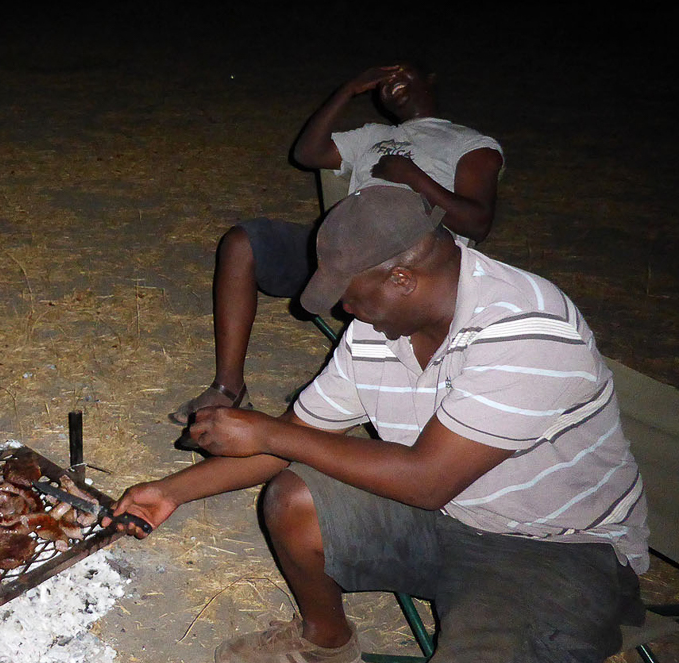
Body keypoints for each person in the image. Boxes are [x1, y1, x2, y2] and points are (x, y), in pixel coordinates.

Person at [107, 186, 648, 663]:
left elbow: (426, 481)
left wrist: (269, 429)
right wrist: (171, 491)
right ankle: (325, 640)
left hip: (553, 550)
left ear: (401, 279)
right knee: (295, 496)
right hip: (445, 519)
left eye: (348, 292)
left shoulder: (527, 331)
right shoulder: (377, 329)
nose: (343, 309)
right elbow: (301, 438)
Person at [169, 63, 504, 431]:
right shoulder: (373, 135)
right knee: (244, 242)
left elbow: (476, 223)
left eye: (402, 75)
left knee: (386, 281)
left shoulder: (470, 144)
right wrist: (347, 90)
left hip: (414, 266)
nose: (391, 84)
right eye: (384, 80)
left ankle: (342, 394)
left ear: (431, 79)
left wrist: (415, 179)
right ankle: (228, 387)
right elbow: (307, 154)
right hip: (344, 252)